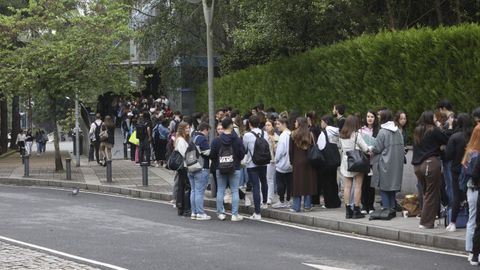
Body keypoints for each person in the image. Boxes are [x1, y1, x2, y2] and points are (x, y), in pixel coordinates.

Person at [412, 111, 449, 229]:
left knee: (426, 192)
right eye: (433, 117)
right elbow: (446, 139)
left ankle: (431, 219)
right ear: (430, 118)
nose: (435, 118)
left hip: (417, 166)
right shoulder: (433, 130)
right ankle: (425, 223)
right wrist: (439, 126)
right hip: (430, 164)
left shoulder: (417, 131)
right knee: (431, 194)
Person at [210, 118, 246, 221]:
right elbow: (242, 154)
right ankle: (234, 215)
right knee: (234, 191)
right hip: (235, 168)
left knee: (220, 190)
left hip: (220, 167)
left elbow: (212, 155)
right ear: (231, 126)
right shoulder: (237, 140)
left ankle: (220, 213)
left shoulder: (216, 140)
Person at [371, 110, 404, 213]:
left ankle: (386, 208)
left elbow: (377, 148)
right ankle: (392, 206)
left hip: (385, 162)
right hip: (396, 162)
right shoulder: (397, 130)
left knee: (384, 186)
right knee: (392, 185)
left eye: (379, 116)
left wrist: (371, 147)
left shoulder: (383, 131)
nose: (378, 118)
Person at [445, 113, 473, 232]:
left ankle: (453, 222)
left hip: (457, 169)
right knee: (471, 195)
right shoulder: (473, 135)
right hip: (471, 169)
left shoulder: (455, 137)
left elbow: (448, 155)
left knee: (457, 195)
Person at [339, 116, 371, 219]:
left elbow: (341, 148)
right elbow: (365, 148)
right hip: (356, 161)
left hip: (346, 161)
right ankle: (356, 210)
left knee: (347, 186)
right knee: (358, 186)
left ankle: (348, 210)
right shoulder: (356, 135)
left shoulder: (342, 135)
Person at [243, 115, 271, 220]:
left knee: (255, 186)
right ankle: (264, 203)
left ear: (249, 124)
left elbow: (244, 149)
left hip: (252, 163)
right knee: (264, 181)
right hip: (263, 162)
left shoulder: (247, 136)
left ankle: (257, 213)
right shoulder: (265, 134)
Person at [289, 117, 317, 212]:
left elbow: (290, 150)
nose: (295, 123)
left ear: (299, 123)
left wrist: (291, 162)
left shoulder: (293, 134)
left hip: (297, 161)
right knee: (308, 183)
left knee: (297, 184)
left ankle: (296, 207)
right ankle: (307, 205)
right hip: (309, 161)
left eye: (296, 122)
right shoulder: (310, 134)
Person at [463, 125, 480, 264]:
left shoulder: (469, 151)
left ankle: (471, 250)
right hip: (475, 188)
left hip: (471, 188)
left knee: (472, 218)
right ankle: (471, 251)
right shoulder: (474, 153)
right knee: (474, 219)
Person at [316, 115, 341, 208]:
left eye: (322, 121)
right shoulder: (336, 132)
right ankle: (336, 201)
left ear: (326, 122)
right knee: (333, 181)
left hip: (326, 161)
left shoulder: (324, 133)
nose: (321, 123)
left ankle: (329, 203)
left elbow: (320, 146)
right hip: (334, 160)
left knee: (326, 182)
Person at [188, 123, 212, 221]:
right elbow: (207, 152)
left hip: (191, 167)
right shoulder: (202, 139)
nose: (208, 134)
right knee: (199, 192)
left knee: (193, 190)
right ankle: (200, 213)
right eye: (208, 131)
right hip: (201, 168)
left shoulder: (192, 138)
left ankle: (194, 212)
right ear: (205, 130)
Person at [358, 110, 379, 214]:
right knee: (363, 184)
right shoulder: (361, 131)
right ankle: (363, 206)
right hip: (364, 160)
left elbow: (380, 145)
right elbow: (358, 144)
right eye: (368, 116)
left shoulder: (378, 130)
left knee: (371, 184)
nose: (369, 118)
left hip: (373, 160)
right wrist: (365, 149)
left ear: (375, 118)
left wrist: (373, 149)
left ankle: (371, 206)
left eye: (372, 116)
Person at [273, 118, 292, 208]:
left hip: (282, 163)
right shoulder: (290, 133)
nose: (277, 126)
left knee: (280, 182)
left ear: (284, 124)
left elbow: (280, 151)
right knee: (289, 183)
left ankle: (281, 200)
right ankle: (288, 200)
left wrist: (276, 159)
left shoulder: (283, 136)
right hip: (290, 163)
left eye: (278, 124)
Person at [174, 122, 191, 217]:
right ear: (182, 129)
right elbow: (185, 154)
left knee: (182, 187)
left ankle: (181, 207)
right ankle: (185, 208)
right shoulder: (181, 140)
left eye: (188, 128)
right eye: (187, 128)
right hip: (183, 166)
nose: (188, 130)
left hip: (181, 166)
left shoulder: (180, 139)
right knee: (186, 187)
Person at [265, 119, 279, 206]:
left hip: (271, 160)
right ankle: (264, 196)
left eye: (269, 125)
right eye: (266, 125)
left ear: (273, 126)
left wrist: (273, 141)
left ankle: (269, 197)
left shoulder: (276, 137)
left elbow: (277, 151)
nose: (267, 127)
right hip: (262, 160)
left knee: (270, 179)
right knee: (263, 179)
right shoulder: (262, 135)